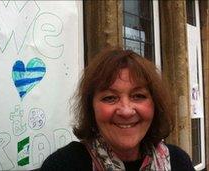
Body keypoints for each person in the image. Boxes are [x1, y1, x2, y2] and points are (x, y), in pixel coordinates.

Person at [40, 48, 195, 171]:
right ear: (91, 108)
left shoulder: (178, 161)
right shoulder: (64, 165)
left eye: (138, 96)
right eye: (110, 98)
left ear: (155, 105)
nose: (126, 111)